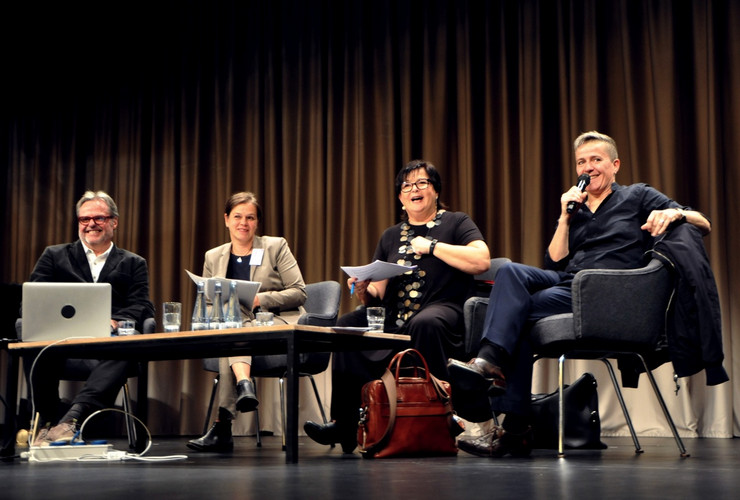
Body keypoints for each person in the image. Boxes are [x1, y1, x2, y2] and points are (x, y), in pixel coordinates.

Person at [447, 131, 712, 458]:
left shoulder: (638, 195)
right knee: (510, 272)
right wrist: (564, 216)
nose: (588, 168)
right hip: (568, 283)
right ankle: (494, 372)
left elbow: (703, 224)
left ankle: (509, 412)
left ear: (614, 165)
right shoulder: (578, 207)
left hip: (610, 291)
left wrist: (676, 214)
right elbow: (555, 261)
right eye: (581, 162)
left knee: (511, 316)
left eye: (596, 160)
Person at [304, 159, 491, 453]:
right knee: (349, 324)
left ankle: (438, 417)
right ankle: (345, 423)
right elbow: (377, 292)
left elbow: (481, 260)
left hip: (444, 310)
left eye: (421, 183)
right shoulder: (391, 235)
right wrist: (364, 289)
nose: (413, 190)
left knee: (425, 322)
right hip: (395, 318)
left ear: (435, 190)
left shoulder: (456, 222)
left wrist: (432, 247)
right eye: (406, 186)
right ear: (400, 197)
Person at [26, 190, 155, 446]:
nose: (91, 224)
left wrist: (116, 321)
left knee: (129, 343)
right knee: (33, 338)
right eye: (84, 219)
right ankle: (48, 422)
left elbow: (141, 305)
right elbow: (31, 300)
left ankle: (73, 419)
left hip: (108, 342)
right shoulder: (54, 256)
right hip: (60, 340)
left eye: (99, 218)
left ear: (114, 222)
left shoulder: (133, 263)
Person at [187, 191, 307, 452]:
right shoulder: (213, 256)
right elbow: (208, 301)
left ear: (257, 222)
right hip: (236, 327)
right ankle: (243, 385)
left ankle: (223, 425)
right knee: (230, 315)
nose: (243, 223)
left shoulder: (275, 246)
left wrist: (259, 300)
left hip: (274, 323)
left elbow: (299, 291)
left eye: (250, 218)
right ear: (226, 219)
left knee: (233, 321)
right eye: (238, 216)